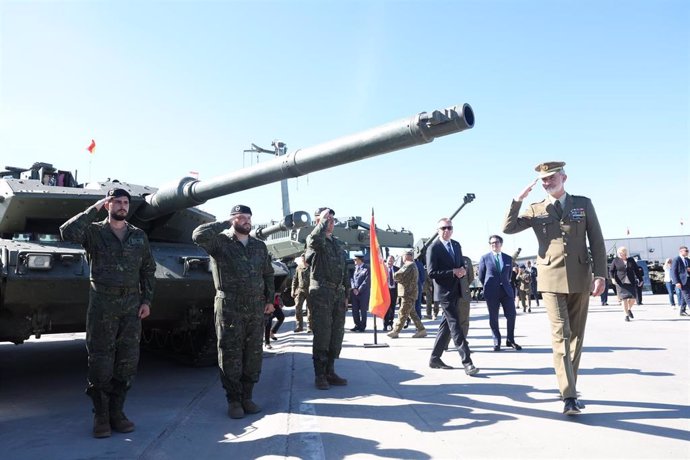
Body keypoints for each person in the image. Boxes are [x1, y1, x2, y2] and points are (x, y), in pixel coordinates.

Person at [503, 161, 606, 415]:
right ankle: (569, 396)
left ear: (564, 178)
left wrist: (601, 275)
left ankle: (570, 387)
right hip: (550, 279)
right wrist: (517, 200)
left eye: (551, 178)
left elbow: (597, 240)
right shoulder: (536, 208)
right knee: (561, 334)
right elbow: (508, 228)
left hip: (581, 277)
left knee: (576, 337)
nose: (547, 183)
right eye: (544, 180)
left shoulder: (583, 204)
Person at [60, 188, 156, 438]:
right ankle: (101, 416)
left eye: (125, 202)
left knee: (127, 362)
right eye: (117, 202)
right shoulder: (93, 231)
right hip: (102, 303)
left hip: (131, 305)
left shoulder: (138, 236)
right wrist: (94, 208)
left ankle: (118, 413)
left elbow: (148, 269)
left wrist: (146, 300)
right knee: (101, 361)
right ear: (108, 205)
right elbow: (66, 232)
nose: (123, 206)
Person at [192, 204, 275, 419]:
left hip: (256, 307)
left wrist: (269, 300)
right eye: (241, 217)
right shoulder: (219, 242)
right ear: (232, 220)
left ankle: (247, 396)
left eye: (248, 217)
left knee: (253, 353)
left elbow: (267, 274)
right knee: (231, 353)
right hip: (230, 306)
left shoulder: (259, 245)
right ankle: (234, 400)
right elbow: (198, 235)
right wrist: (224, 222)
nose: (246, 220)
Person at [426, 218, 479, 376]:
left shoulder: (456, 245)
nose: (446, 230)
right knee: (456, 325)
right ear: (438, 230)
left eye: (449, 228)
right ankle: (467, 362)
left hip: (457, 289)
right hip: (444, 293)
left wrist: (461, 270)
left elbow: (460, 264)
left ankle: (435, 358)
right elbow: (431, 272)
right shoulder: (433, 248)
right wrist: (453, 272)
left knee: (446, 326)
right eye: (443, 228)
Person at [306, 207, 349, 390]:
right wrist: (322, 222)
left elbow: (345, 269)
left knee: (336, 335)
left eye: (332, 219)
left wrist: (346, 294)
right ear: (318, 221)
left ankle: (330, 370)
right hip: (322, 293)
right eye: (326, 219)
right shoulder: (315, 240)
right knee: (322, 334)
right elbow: (314, 240)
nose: (331, 222)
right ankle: (320, 375)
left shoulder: (338, 243)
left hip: (338, 294)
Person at [477, 235, 521, 352]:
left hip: (506, 291)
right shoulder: (485, 258)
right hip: (492, 291)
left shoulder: (507, 258)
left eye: (496, 242)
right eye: (491, 243)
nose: (494, 244)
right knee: (494, 317)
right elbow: (481, 276)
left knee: (511, 315)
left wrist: (504, 283)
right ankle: (497, 341)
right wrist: (489, 285)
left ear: (501, 244)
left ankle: (510, 340)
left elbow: (508, 275)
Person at [388, 250, 427, 339]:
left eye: (403, 256)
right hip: (410, 293)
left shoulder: (408, 265)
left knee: (402, 312)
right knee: (411, 313)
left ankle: (396, 331)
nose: (402, 258)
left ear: (406, 256)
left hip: (407, 293)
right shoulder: (413, 265)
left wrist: (394, 276)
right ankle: (421, 330)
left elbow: (397, 276)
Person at [609, 247, 642, 322]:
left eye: (622, 253)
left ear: (625, 253)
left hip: (631, 281)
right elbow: (611, 271)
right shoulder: (615, 260)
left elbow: (636, 270)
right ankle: (626, 315)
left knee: (633, 298)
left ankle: (629, 309)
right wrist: (612, 279)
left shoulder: (630, 260)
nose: (620, 254)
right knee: (624, 299)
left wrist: (641, 279)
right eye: (619, 253)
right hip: (620, 282)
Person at [350, 253, 370, 332]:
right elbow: (352, 279)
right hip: (354, 293)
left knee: (363, 310)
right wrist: (354, 288)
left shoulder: (367, 268)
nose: (354, 261)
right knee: (354, 310)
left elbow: (367, 281)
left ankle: (362, 326)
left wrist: (359, 290)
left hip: (363, 293)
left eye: (355, 259)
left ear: (360, 260)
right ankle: (357, 325)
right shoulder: (355, 268)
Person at [291, 254, 311, 332]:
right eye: (302, 259)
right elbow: (295, 279)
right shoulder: (299, 267)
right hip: (300, 290)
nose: (303, 260)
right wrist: (293, 290)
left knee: (310, 309)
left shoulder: (311, 267)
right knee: (298, 308)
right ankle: (299, 326)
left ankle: (310, 327)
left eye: (304, 259)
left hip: (310, 290)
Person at [457, 255, 475, 339]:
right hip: (451, 294)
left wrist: (464, 286)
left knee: (464, 319)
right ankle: (444, 343)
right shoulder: (446, 259)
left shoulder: (466, 260)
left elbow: (471, 277)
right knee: (448, 320)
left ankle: (462, 341)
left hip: (463, 294)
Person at [671, 246, 690, 317]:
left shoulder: (687, 259)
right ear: (681, 251)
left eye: (688, 251)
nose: (687, 252)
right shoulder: (676, 259)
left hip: (688, 279)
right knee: (688, 296)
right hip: (682, 281)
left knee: (684, 296)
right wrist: (676, 282)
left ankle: (682, 311)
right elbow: (673, 272)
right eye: (686, 251)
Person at [384, 255, 399, 330]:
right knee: (386, 308)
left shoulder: (397, 269)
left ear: (394, 261)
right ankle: (385, 324)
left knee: (392, 308)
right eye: (389, 260)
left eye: (392, 260)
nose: (390, 261)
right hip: (386, 290)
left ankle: (390, 323)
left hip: (394, 290)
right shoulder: (383, 268)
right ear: (386, 260)